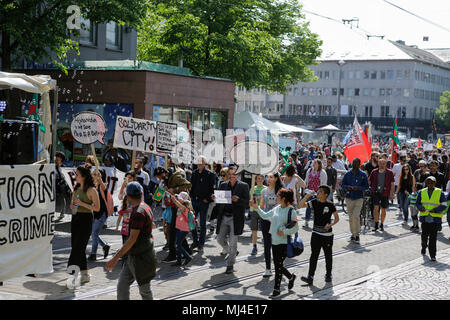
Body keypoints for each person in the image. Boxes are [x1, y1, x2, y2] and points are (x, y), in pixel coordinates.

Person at [106, 182, 157, 300]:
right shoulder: (145, 206)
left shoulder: (138, 212)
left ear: (128, 196)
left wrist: (115, 258)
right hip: (133, 256)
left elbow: (132, 239)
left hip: (142, 259)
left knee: (145, 292)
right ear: (141, 193)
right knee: (122, 286)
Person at [250, 188, 298, 299]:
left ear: (283, 198)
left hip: (284, 243)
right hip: (274, 241)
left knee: (278, 267)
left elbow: (296, 227)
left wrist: (284, 232)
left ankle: (276, 290)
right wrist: (257, 208)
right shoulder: (277, 208)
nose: (276, 198)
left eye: (278, 196)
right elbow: (266, 216)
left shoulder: (291, 210)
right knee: (278, 265)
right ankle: (291, 277)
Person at [298, 185, 340, 285]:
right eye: (318, 191)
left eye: (320, 192)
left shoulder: (330, 204)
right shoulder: (314, 202)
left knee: (328, 255)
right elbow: (300, 206)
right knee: (314, 255)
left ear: (326, 194)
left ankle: (328, 274)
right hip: (315, 234)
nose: (318, 193)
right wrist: (306, 196)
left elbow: (337, 219)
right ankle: (310, 277)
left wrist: (330, 225)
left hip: (327, 236)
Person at [67, 165, 100, 285]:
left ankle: (72, 274)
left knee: (78, 247)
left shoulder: (92, 190)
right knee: (76, 246)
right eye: (75, 174)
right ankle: (85, 274)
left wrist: (82, 203)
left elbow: (97, 208)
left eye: (77, 175)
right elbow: (73, 205)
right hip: (76, 218)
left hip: (86, 219)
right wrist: (73, 206)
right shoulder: (76, 189)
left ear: (84, 176)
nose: (75, 177)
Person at [214, 166, 249, 274]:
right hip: (224, 216)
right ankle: (231, 252)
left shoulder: (244, 186)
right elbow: (219, 201)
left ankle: (230, 264)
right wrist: (214, 197)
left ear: (237, 175)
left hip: (236, 217)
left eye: (234, 175)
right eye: (230, 175)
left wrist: (238, 200)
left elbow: (247, 203)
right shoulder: (223, 185)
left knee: (233, 242)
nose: (232, 177)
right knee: (219, 239)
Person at [415, 176, 447, 262]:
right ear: (426, 183)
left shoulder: (440, 192)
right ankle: (424, 247)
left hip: (435, 218)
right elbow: (417, 203)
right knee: (424, 236)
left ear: (435, 183)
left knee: (433, 237)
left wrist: (435, 210)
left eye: (432, 182)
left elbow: (444, 205)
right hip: (425, 217)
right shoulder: (421, 192)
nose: (430, 184)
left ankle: (433, 255)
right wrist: (420, 207)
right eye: (428, 182)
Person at [258, 172, 284, 278]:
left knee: (277, 246)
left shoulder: (281, 191)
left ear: (276, 179)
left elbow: (284, 205)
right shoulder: (264, 191)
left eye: (271, 177)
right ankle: (268, 268)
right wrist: (256, 206)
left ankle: (279, 267)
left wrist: (277, 208)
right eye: (267, 177)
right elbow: (261, 205)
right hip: (266, 221)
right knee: (267, 245)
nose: (268, 179)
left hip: (277, 221)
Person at [190, 156, 216, 251]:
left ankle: (201, 243)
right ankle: (195, 241)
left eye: (201, 163)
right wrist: (192, 197)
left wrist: (208, 199)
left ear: (205, 164)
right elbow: (191, 186)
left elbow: (213, 189)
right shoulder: (194, 173)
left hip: (204, 202)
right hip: (195, 201)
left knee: (203, 224)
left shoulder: (210, 174)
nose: (199, 165)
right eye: (198, 163)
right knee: (191, 221)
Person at [341, 158, 369, 244]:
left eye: (356, 163)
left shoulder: (363, 174)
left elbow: (367, 186)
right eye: (353, 163)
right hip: (349, 197)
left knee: (356, 216)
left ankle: (357, 235)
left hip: (359, 197)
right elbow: (342, 184)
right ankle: (352, 234)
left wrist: (359, 188)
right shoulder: (347, 174)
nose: (354, 165)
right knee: (350, 217)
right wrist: (347, 187)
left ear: (359, 164)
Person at [88, 169, 113, 261]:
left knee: (94, 233)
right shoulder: (91, 187)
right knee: (94, 234)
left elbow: (104, 187)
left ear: (101, 176)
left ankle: (93, 254)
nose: (94, 175)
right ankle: (105, 246)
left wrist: (100, 180)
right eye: (93, 174)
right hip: (94, 213)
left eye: (97, 174)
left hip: (101, 213)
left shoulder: (102, 186)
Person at [369, 158, 395, 232]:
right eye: (380, 163)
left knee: (383, 209)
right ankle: (376, 224)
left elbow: (392, 184)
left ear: (386, 164)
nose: (382, 165)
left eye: (383, 163)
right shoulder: (374, 172)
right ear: (378, 164)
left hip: (385, 193)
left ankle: (382, 224)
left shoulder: (389, 172)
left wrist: (391, 193)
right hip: (376, 193)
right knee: (376, 208)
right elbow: (369, 181)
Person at [170, 192, 194, 267]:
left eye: (180, 198)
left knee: (178, 245)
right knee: (178, 244)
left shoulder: (185, 208)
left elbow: (177, 203)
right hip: (179, 228)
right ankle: (179, 261)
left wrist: (174, 199)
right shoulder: (181, 207)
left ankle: (188, 257)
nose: (178, 199)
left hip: (183, 229)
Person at [303, 159, 327, 227]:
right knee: (308, 206)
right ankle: (306, 221)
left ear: (319, 164)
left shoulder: (322, 172)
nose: (313, 164)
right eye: (313, 163)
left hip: (318, 192)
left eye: (315, 163)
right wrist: (305, 188)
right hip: (310, 191)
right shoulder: (309, 170)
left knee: (318, 208)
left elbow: (324, 183)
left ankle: (318, 222)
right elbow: (306, 180)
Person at [249, 174, 267, 256]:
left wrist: (259, 198)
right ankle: (254, 247)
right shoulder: (253, 188)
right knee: (254, 230)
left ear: (263, 180)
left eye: (261, 179)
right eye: (258, 179)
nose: (259, 180)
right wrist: (251, 202)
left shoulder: (266, 189)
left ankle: (266, 247)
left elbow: (267, 200)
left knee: (264, 230)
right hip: (255, 211)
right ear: (255, 180)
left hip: (263, 211)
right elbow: (250, 200)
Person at [55, 151, 72, 221]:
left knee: (62, 197)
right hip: (54, 182)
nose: (56, 160)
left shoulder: (63, 167)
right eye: (56, 158)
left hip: (61, 184)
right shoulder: (53, 165)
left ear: (61, 159)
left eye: (58, 159)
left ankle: (62, 213)